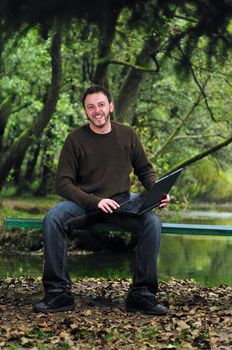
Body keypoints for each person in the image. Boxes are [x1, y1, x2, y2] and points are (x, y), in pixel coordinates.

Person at [33, 85, 170, 315]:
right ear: (86, 111)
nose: (97, 111)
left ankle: (141, 295)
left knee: (152, 222)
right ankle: (58, 294)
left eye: (101, 105)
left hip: (122, 202)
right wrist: (94, 201)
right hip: (84, 202)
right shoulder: (74, 140)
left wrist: (157, 192)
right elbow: (63, 183)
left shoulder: (128, 135)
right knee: (53, 218)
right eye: (91, 107)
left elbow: (145, 170)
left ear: (111, 106)